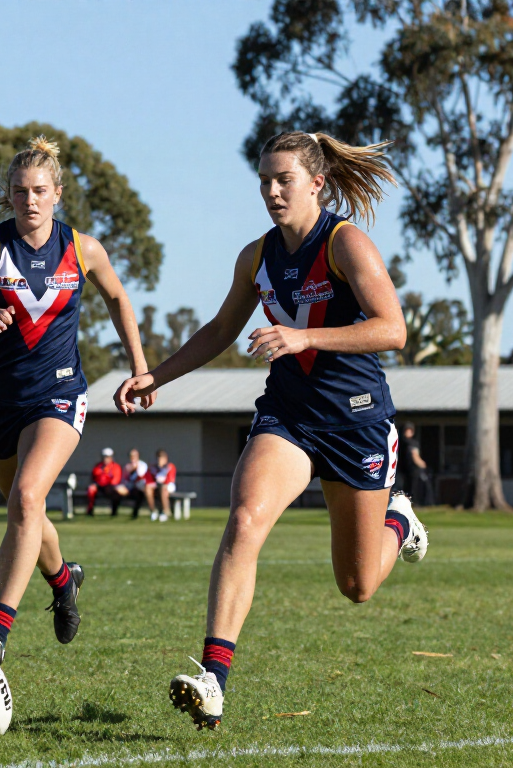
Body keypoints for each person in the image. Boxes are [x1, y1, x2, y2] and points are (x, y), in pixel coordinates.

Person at [114, 131, 428, 730]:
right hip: (288, 413)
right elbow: (221, 328)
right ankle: (214, 678)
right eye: (263, 180)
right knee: (245, 516)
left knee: (358, 586)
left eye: (283, 178)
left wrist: (304, 336)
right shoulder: (255, 257)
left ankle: (399, 520)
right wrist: (157, 375)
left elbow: (393, 329)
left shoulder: (346, 243)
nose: (272, 190)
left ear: (317, 182)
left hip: (356, 419)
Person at [0, 136, 152, 664]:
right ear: (8, 195)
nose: (30, 200)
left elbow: (118, 297)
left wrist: (140, 368)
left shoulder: (82, 248)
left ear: (57, 195)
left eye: (40, 191)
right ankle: (63, 578)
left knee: (28, 499)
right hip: (0, 401)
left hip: (59, 393)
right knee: (23, 511)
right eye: (20, 191)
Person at [396, 422, 433, 506]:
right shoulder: (410, 443)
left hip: (407, 470)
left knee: (410, 487)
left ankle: (412, 502)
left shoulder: (401, 442)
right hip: (406, 470)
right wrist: (423, 464)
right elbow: (415, 456)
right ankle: (412, 502)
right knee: (410, 487)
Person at [85, 447, 122, 516]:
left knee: (116, 493)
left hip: (109, 487)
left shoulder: (115, 467)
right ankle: (90, 511)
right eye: (104, 457)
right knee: (91, 490)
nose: (106, 459)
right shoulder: (98, 466)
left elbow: (115, 480)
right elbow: (94, 477)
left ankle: (114, 512)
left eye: (107, 457)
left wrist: (106, 478)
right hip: (99, 486)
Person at [149, 449, 178, 521]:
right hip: (157, 485)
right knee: (148, 488)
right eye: (158, 458)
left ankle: (165, 512)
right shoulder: (154, 468)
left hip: (169, 485)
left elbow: (170, 479)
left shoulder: (169, 466)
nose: (159, 460)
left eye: (161, 458)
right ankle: (153, 510)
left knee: (163, 488)